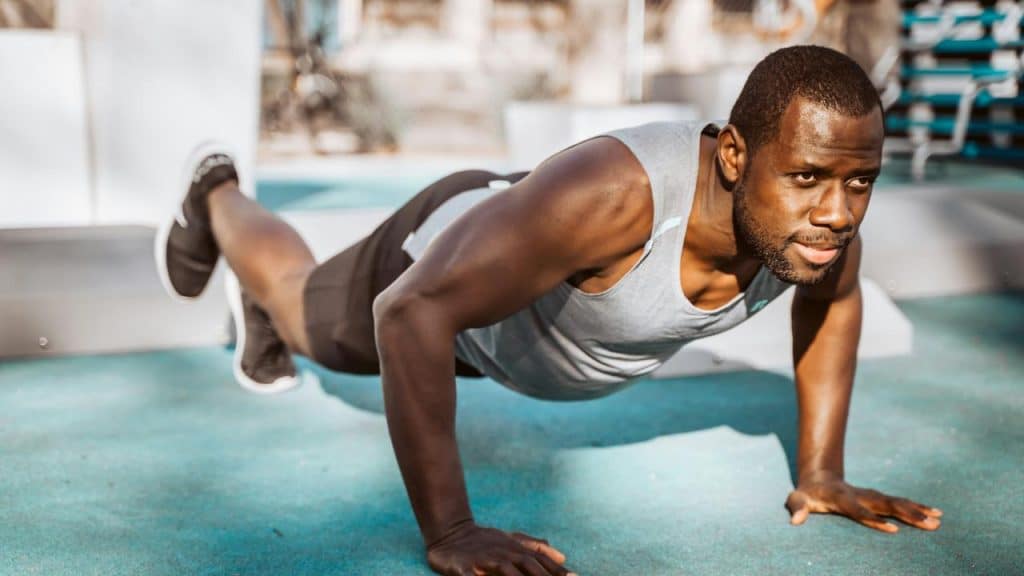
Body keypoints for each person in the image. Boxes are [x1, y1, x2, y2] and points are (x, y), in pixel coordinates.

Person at [156, 46, 943, 576]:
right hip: (441, 276)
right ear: (735, 155)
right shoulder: (616, 196)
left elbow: (832, 306)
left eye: (860, 182)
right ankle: (216, 191)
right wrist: (451, 531)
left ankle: (251, 281)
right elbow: (407, 313)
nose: (839, 211)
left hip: (516, 315)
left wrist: (821, 472)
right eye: (807, 177)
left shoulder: (818, 234)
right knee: (304, 315)